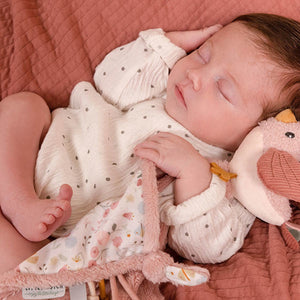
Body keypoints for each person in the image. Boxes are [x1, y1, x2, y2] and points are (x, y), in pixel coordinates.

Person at [1, 13, 300, 275]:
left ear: (257, 131)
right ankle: (19, 202)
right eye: (202, 55)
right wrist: (167, 45)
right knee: (23, 107)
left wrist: (193, 174)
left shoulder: (225, 177)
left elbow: (209, 248)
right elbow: (108, 80)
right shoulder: (157, 89)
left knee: (25, 271)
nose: (195, 75)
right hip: (40, 154)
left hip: (67, 246)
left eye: (222, 90)